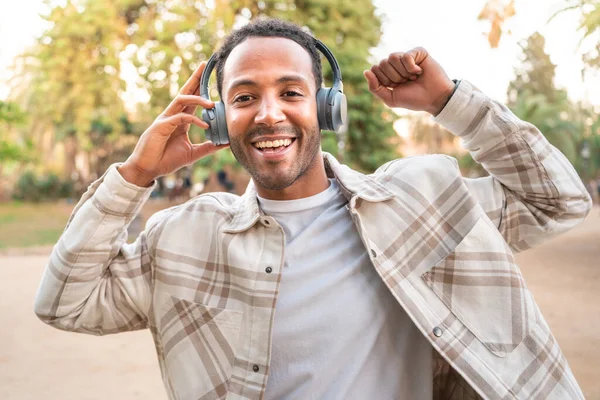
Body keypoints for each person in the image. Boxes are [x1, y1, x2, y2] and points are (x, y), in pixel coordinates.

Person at [34, 18, 591, 400]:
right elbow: (66, 304)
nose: (269, 114)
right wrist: (136, 176)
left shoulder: (424, 197)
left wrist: (452, 103)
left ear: (326, 108)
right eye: (245, 97)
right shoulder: (183, 237)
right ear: (221, 119)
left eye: (292, 92)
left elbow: (559, 201)